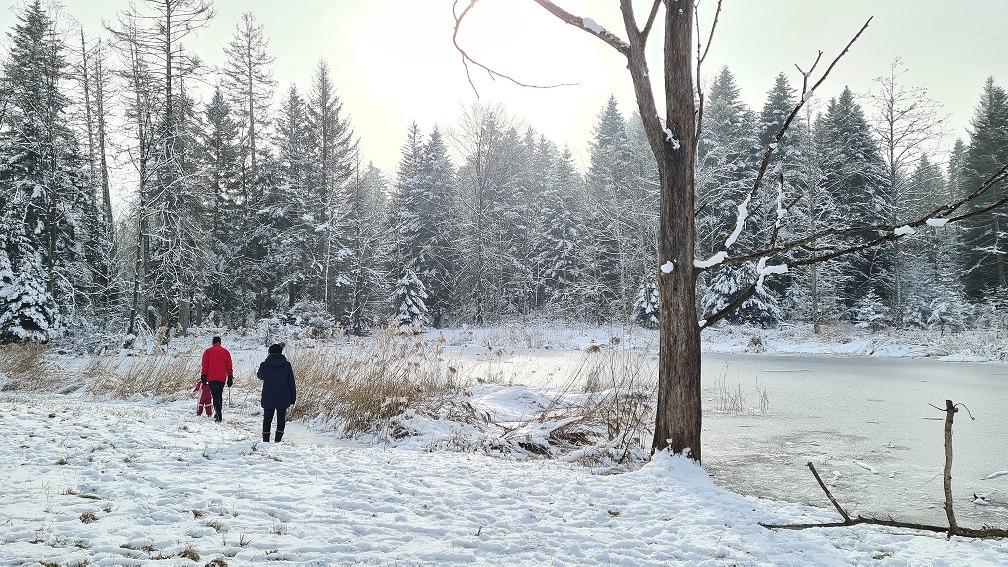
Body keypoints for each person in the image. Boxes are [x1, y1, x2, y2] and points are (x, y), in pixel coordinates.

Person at [257, 342, 296, 442]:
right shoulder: (286, 365)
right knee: (281, 419)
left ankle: (266, 440)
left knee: (267, 419)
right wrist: (293, 398)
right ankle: (277, 440)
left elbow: (260, 376)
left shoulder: (265, 364)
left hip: (268, 395)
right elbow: (291, 382)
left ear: (270, 353)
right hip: (283, 395)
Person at [201, 336, 234, 423]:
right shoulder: (226, 352)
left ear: (213, 342)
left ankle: (219, 415)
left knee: (215, 396)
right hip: (222, 378)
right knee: (219, 395)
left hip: (211, 377)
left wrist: (203, 375)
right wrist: (230, 376)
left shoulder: (208, 351)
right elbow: (229, 365)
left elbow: (205, 364)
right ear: (220, 342)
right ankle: (218, 413)